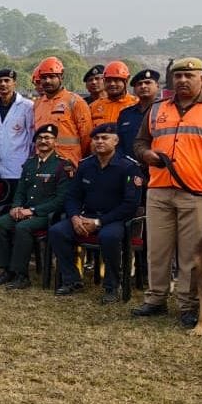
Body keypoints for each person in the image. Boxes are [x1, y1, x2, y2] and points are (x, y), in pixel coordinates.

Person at [131, 57, 202, 328]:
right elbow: (139, 142)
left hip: (198, 193)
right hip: (159, 190)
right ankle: (155, 298)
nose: (182, 80)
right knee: (157, 250)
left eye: (189, 76)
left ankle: (188, 305)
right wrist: (146, 154)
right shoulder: (157, 109)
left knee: (191, 254)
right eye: (178, 76)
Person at [48, 124, 142, 302]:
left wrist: (99, 222)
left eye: (104, 138)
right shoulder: (86, 165)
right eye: (96, 138)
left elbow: (130, 204)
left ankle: (112, 286)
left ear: (116, 141)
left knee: (109, 237)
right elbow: (72, 196)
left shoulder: (128, 167)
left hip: (114, 220)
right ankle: (71, 280)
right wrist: (75, 217)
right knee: (57, 231)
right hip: (86, 216)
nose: (99, 141)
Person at [0, 124, 73, 290]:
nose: (43, 141)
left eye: (48, 138)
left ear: (55, 142)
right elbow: (20, 190)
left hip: (45, 215)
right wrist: (16, 207)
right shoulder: (29, 163)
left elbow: (61, 199)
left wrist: (33, 211)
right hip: (24, 210)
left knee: (23, 227)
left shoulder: (63, 165)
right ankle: (6, 270)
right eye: (40, 138)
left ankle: (22, 275)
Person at [33, 57, 93, 165]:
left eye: (52, 77)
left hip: (68, 164)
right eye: (43, 77)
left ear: (61, 77)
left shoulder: (75, 101)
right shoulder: (38, 104)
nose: (47, 81)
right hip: (43, 164)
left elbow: (86, 138)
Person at [0, 68, 35, 195]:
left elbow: (31, 137)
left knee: (16, 202)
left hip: (19, 164)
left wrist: (30, 160)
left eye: (7, 81)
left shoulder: (27, 106)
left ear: (14, 83)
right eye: (0, 81)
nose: (3, 84)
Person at [116, 70, 160, 160]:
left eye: (148, 83)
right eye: (139, 84)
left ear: (157, 86)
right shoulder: (125, 114)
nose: (143, 86)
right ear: (134, 89)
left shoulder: (166, 111)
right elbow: (119, 143)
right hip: (130, 168)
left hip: (157, 166)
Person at [89, 61, 138, 127]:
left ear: (126, 81)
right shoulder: (93, 107)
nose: (112, 84)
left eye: (116, 80)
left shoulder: (137, 105)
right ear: (104, 81)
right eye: (108, 81)